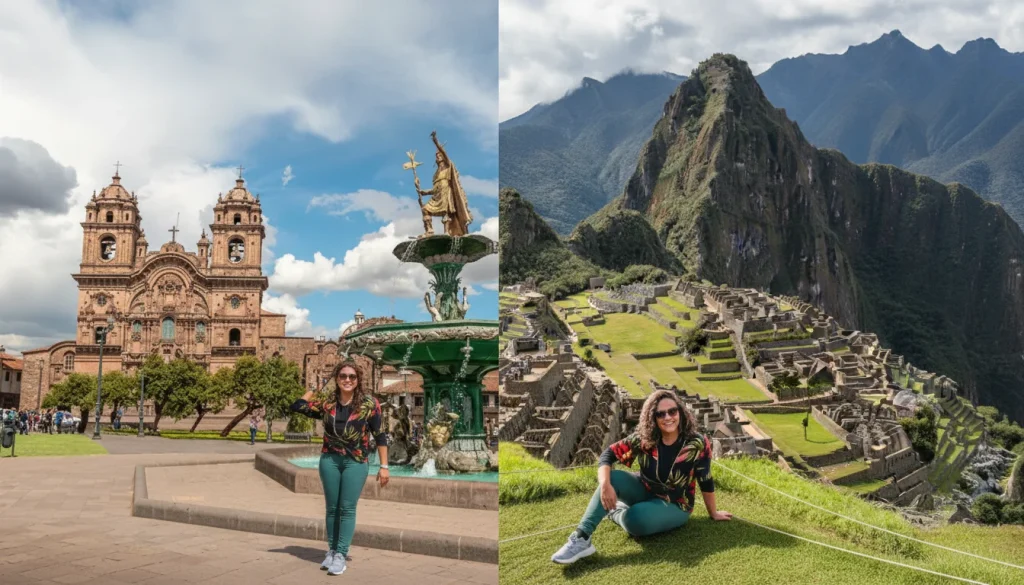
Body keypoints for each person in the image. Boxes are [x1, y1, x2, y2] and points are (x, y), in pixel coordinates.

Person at [551, 389, 732, 565]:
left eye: (672, 411)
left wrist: (713, 513)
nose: (668, 417)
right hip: (644, 489)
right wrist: (605, 484)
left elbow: (705, 478)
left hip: (676, 504)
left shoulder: (697, 443)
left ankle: (616, 512)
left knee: (635, 519)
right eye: (660, 414)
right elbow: (608, 455)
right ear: (652, 418)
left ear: (681, 412)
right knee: (612, 478)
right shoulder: (645, 439)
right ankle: (581, 538)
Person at [290, 359, 390, 576]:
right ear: (336, 379)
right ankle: (332, 550)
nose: (347, 380)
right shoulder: (327, 404)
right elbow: (297, 406)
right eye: (343, 376)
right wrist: (314, 389)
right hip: (330, 461)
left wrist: (384, 466)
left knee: (347, 508)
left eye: (352, 377)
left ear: (358, 380)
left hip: (356, 461)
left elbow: (380, 435)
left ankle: (341, 554)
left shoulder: (369, 404)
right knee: (332, 508)